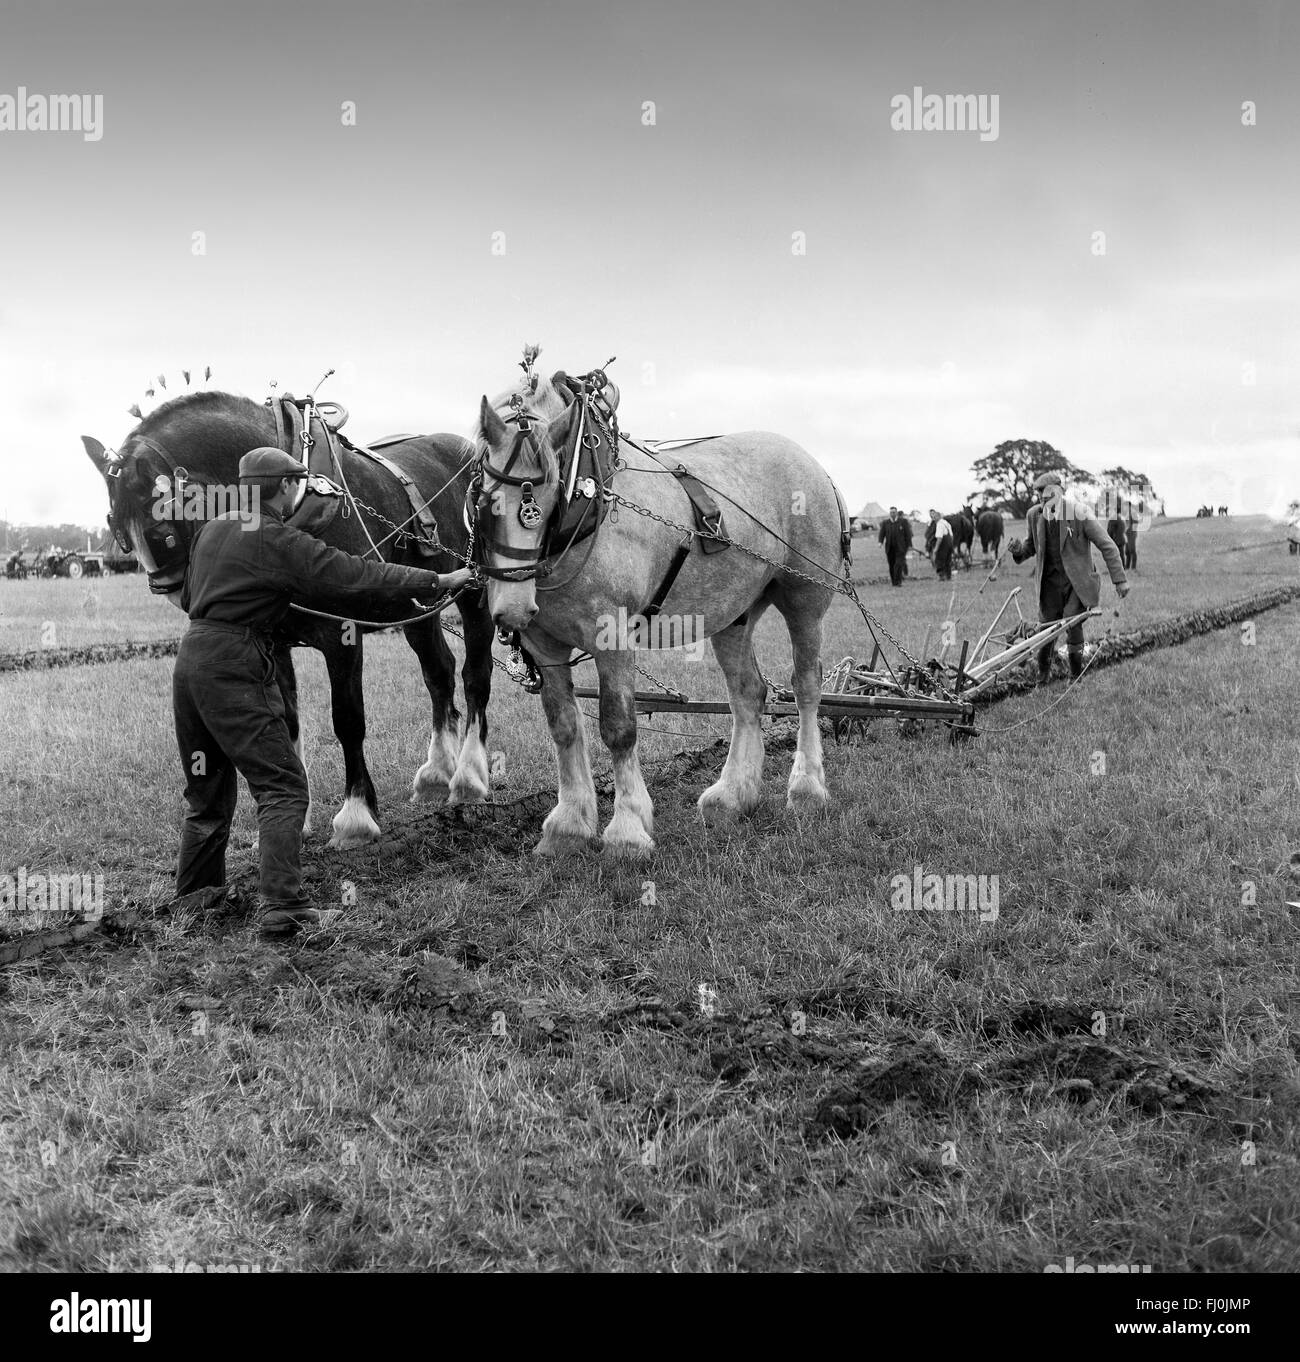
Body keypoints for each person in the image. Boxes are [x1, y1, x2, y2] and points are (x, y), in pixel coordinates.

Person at [172, 447, 473, 937]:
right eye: (298, 484)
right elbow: (357, 574)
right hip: (237, 664)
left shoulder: (213, 528)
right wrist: (438, 577)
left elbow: (190, 596)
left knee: (206, 792)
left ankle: (194, 902)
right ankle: (283, 910)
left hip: (191, 664)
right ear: (285, 487)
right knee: (284, 787)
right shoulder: (277, 539)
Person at [1008, 471, 1129, 683]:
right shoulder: (1034, 515)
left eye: (1047, 495)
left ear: (1060, 492)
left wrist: (1120, 580)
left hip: (1078, 584)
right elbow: (1030, 547)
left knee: (1072, 624)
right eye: (1040, 496)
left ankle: (1075, 677)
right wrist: (1018, 550)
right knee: (1045, 629)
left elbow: (1107, 545)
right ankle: (1042, 678)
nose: (1043, 500)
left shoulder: (1080, 513)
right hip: (1050, 585)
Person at [878, 505, 912, 586]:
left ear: (896, 513)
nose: (892, 514)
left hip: (901, 548)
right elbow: (882, 533)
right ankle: (894, 582)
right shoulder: (886, 523)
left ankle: (898, 581)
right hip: (890, 548)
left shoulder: (903, 522)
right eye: (891, 512)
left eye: (894, 512)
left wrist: (909, 545)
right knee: (891, 565)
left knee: (898, 564)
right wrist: (880, 542)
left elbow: (908, 534)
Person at [928, 509, 953, 581]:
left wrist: (936, 548)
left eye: (935, 517)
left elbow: (939, 538)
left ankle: (941, 576)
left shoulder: (939, 524)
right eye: (933, 517)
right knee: (948, 560)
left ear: (939, 517)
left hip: (943, 543)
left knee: (939, 560)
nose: (934, 518)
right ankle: (948, 576)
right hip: (949, 542)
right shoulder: (946, 523)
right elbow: (951, 535)